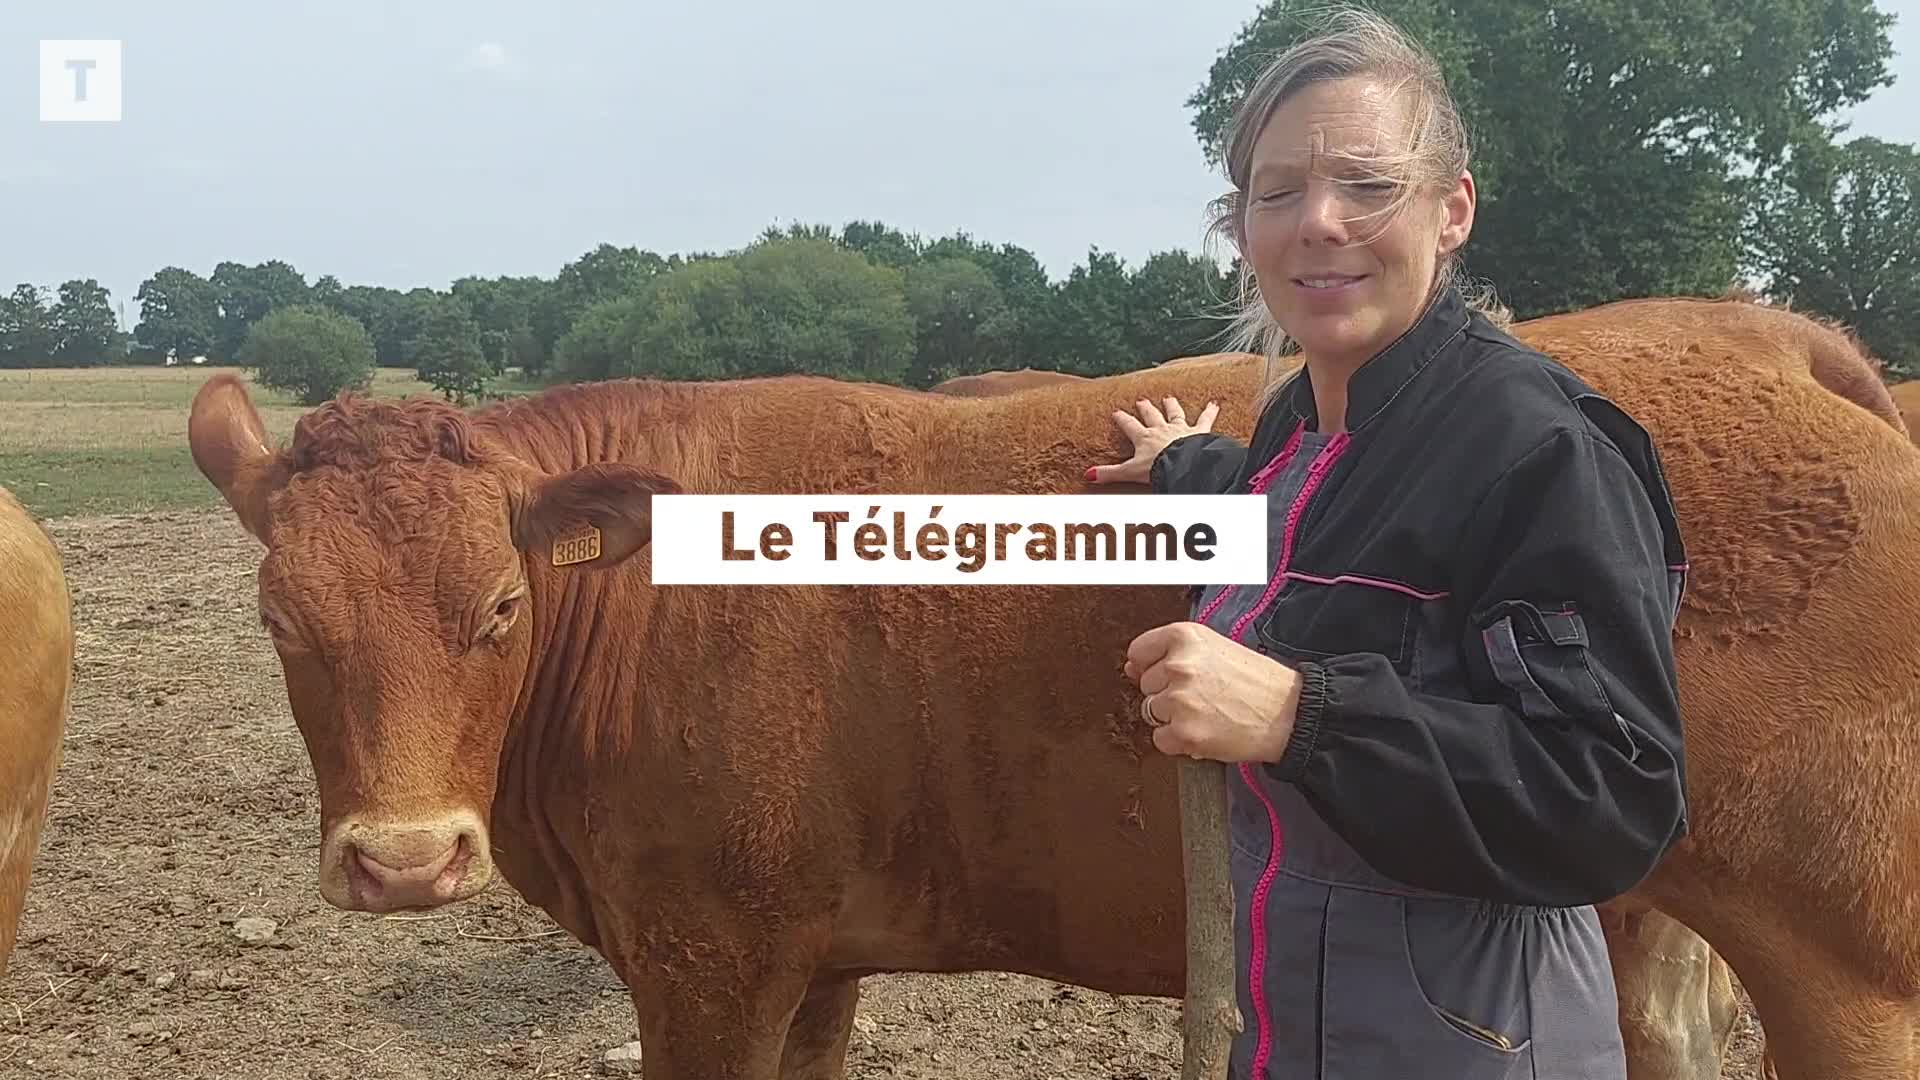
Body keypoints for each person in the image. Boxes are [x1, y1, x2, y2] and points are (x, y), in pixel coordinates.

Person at [1086, 8, 1690, 1079]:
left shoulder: (1538, 446)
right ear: (1241, 227)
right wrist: (1185, 462)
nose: (1319, 222)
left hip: (1479, 1041)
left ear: (1451, 209)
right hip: (1298, 1025)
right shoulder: (1300, 427)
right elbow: (1296, 517)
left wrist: (1296, 712)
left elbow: (1609, 799)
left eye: (1368, 185)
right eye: (1278, 192)